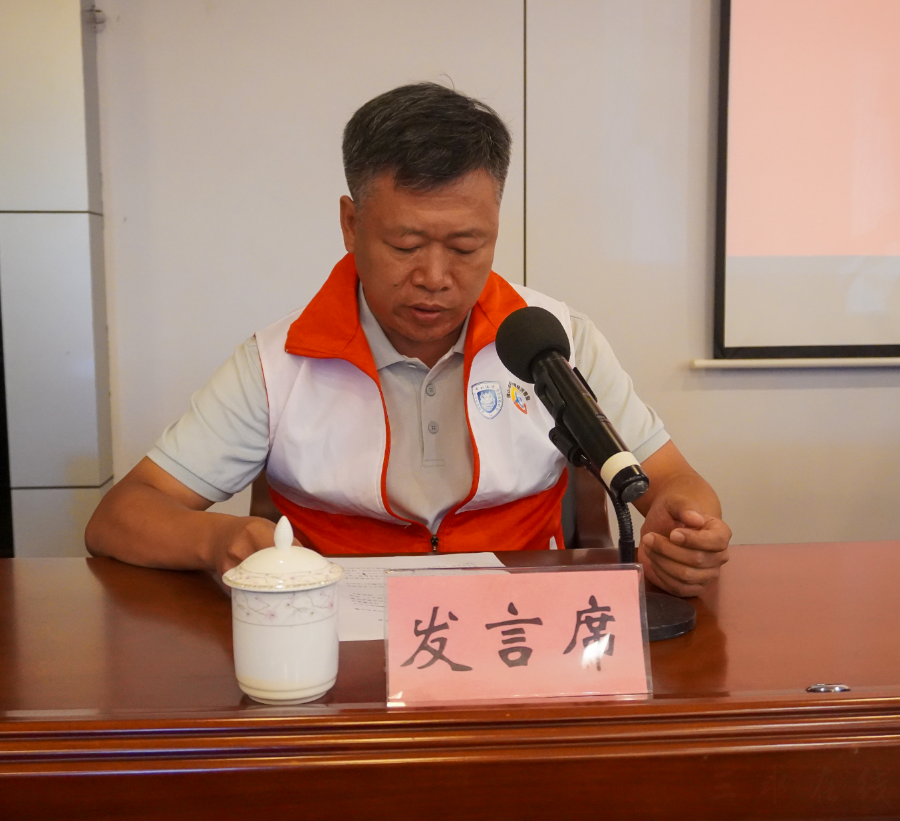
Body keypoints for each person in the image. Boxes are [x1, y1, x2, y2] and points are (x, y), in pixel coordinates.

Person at [85, 82, 731, 598]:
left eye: (466, 246)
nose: (435, 278)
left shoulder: (552, 339)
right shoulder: (279, 363)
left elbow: (673, 480)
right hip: (339, 640)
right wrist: (214, 541)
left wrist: (686, 527)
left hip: (522, 632)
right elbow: (120, 517)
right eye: (405, 244)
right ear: (350, 223)